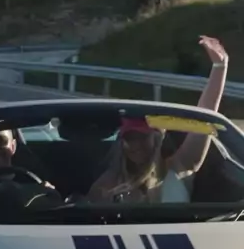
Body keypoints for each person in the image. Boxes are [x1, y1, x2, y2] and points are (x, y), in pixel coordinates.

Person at [86, 35, 229, 203]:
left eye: (142, 137)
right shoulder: (110, 182)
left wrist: (220, 66)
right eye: (129, 138)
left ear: (157, 137)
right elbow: (84, 211)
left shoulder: (180, 167)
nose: (136, 145)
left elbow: (204, 119)